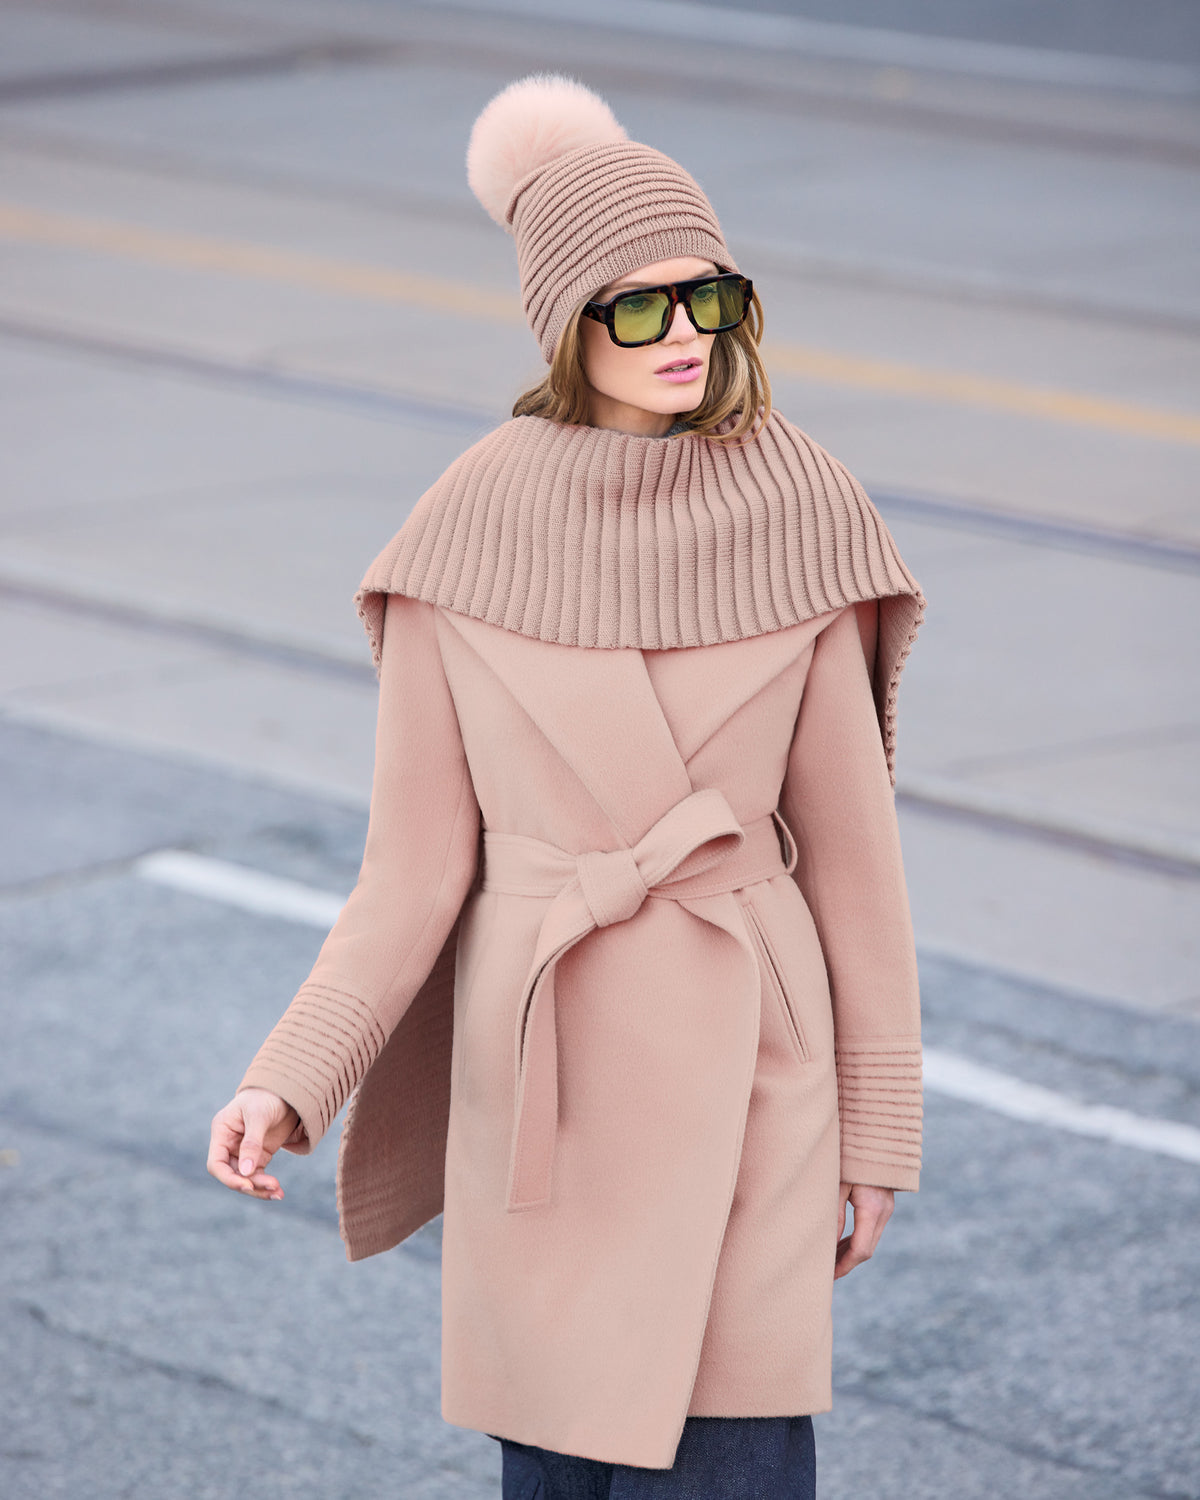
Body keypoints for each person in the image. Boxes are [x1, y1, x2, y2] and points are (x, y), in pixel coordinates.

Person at [207, 75, 926, 1500]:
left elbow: (854, 861)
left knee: (731, 1456)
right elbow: (411, 871)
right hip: (547, 1076)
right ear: (564, 322)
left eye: (711, 301)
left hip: (753, 1062)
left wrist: (879, 1122)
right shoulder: (459, 533)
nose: (685, 338)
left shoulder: (807, 508)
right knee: (557, 1468)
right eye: (640, 307)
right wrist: (290, 1078)